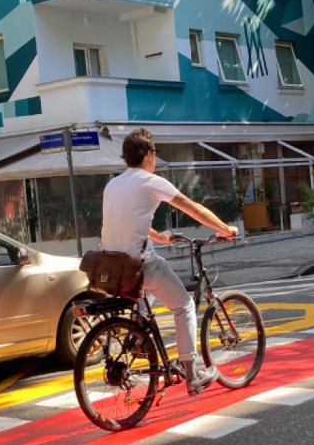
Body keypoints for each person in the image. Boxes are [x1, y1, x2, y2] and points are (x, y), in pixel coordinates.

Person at [100, 128, 239, 396]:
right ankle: (192, 373)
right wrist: (224, 228)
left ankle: (137, 341)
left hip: (112, 265)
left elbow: (125, 221)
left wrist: (157, 236)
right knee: (184, 305)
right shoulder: (151, 181)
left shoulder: (113, 184)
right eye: (155, 152)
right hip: (140, 264)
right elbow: (193, 208)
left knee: (146, 301)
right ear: (148, 154)